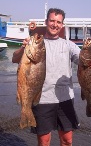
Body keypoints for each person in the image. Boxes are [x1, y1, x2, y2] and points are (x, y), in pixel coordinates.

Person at [12, 8, 81, 146]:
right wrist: (23, 48)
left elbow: (85, 62)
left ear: (62, 25)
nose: (55, 24)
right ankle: (26, 112)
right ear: (46, 22)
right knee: (44, 142)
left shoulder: (69, 45)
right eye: (52, 21)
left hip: (65, 99)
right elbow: (15, 59)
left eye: (58, 22)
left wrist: (90, 55)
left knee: (67, 140)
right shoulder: (35, 43)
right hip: (41, 99)